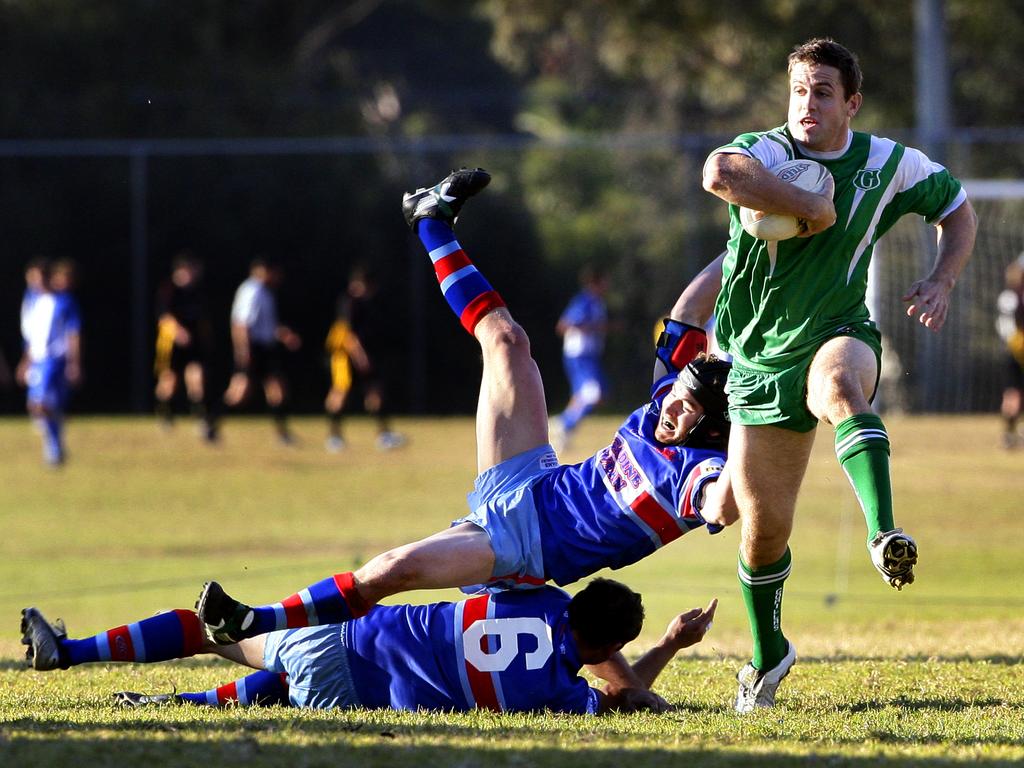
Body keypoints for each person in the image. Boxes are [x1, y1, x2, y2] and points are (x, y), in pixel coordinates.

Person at [194, 169, 736, 701]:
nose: (669, 402)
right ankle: (431, 220)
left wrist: (764, 440)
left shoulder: (701, 472)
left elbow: (724, 504)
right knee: (506, 342)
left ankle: (253, 620)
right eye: (676, 390)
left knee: (393, 570)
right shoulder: (678, 394)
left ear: (712, 426)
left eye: (686, 404)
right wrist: (746, 242)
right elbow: (689, 309)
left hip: (521, 550)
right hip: (531, 478)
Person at [700, 37, 978, 712]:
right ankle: (769, 657)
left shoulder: (888, 163)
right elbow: (718, 170)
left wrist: (942, 278)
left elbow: (959, 210)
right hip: (760, 356)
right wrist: (806, 205)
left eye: (822, 92)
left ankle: (884, 532)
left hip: (839, 331)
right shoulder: (766, 150)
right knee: (762, 535)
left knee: (840, 389)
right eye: (798, 90)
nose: (807, 104)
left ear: (851, 103)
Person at [20, 578, 717, 715]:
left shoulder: (534, 596)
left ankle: (74, 652)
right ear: (608, 646)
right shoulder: (559, 697)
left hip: (348, 635)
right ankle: (181, 700)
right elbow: (628, 697)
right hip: (352, 692)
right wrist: (671, 646)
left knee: (207, 631)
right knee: (282, 692)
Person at [324, 266, 405, 452]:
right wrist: (360, 356)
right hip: (345, 357)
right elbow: (348, 334)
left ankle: (384, 435)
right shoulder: (349, 302)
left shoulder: (366, 303)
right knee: (340, 393)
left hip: (365, 355)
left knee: (375, 393)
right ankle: (334, 437)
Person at [223, 258, 302, 444]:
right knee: (239, 393)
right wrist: (244, 351)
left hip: (266, 348)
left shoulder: (266, 293)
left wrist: (284, 335)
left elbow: (267, 325)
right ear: (264, 271)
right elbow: (241, 324)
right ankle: (210, 423)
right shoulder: (252, 291)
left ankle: (282, 433)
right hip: (253, 347)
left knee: (277, 389)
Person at [16, 259, 82, 466]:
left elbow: (73, 333)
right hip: (37, 359)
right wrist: (25, 361)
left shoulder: (63, 301)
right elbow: (31, 336)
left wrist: (74, 362)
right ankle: (55, 441)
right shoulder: (32, 301)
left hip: (55, 360)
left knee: (40, 404)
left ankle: (54, 448)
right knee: (35, 406)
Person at [153, 252, 217, 442]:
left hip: (194, 344)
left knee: (197, 379)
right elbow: (163, 316)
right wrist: (179, 332)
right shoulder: (169, 290)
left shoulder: (198, 292)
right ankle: (165, 415)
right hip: (171, 343)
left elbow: (203, 320)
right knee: (169, 382)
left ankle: (200, 419)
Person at [551, 266, 609, 452]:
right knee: (594, 394)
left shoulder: (597, 302)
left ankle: (564, 433)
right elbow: (564, 325)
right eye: (605, 281)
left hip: (589, 356)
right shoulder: (585, 301)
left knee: (585, 396)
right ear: (595, 283)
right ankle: (563, 423)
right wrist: (595, 327)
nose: (608, 285)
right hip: (580, 356)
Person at [996, 253, 1024, 449]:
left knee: (1012, 393)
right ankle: (1010, 434)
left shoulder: (1007, 297)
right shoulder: (1014, 297)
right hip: (1017, 350)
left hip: (1010, 349)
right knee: (1014, 395)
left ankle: (1010, 434)